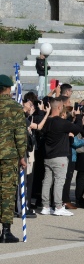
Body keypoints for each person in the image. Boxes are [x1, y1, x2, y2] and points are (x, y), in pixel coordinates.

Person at [39, 98, 83, 216]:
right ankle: (58, 206)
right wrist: (78, 116)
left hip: (48, 156)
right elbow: (78, 128)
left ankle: (45, 206)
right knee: (59, 181)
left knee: (47, 181)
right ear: (59, 107)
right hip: (59, 157)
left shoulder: (47, 121)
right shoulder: (61, 122)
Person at [0, 74, 27, 243]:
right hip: (9, 156)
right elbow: (20, 135)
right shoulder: (16, 108)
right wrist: (22, 156)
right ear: (9, 89)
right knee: (7, 192)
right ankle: (6, 230)